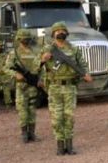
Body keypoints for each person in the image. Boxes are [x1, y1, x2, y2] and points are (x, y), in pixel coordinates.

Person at [39, 21, 93, 155]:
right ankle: (59, 146)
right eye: (58, 31)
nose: (60, 33)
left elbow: (82, 64)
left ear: (67, 33)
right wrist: (43, 59)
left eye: (63, 31)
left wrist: (86, 74)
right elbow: (35, 66)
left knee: (69, 117)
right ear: (53, 34)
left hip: (70, 87)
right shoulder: (48, 49)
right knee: (57, 118)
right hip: (54, 87)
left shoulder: (73, 49)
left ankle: (69, 146)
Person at [5, 29, 42, 143]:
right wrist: (15, 74)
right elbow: (6, 68)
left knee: (32, 109)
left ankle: (32, 133)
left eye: (27, 38)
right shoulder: (14, 53)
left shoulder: (35, 52)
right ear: (19, 39)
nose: (25, 40)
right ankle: (24, 133)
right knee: (22, 110)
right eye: (23, 38)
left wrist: (41, 80)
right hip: (21, 86)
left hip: (33, 85)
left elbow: (41, 68)